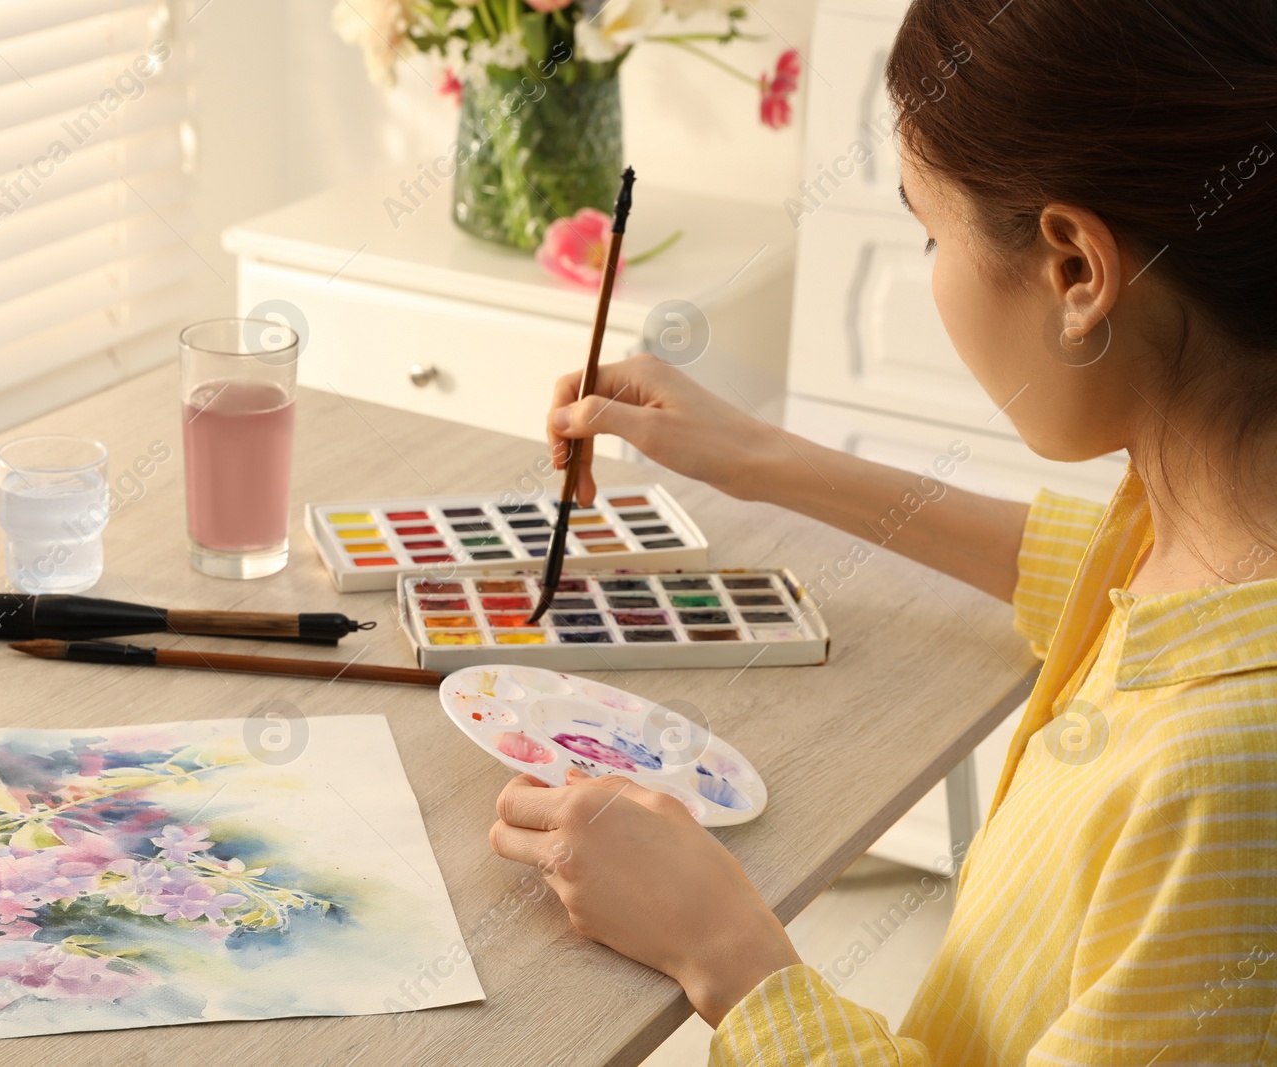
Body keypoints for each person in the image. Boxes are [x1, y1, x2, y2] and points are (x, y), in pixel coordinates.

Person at [487, 0, 1277, 1062]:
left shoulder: (1221, 780)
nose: (930, 267)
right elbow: (1089, 576)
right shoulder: (1203, 520)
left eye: (928, 230)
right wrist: (758, 457)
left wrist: (729, 953)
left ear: (1076, 271)